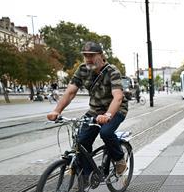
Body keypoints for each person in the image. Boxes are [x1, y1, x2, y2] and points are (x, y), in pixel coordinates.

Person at [47, 41, 128, 181]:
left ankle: (120, 159)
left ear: (101, 56)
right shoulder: (82, 69)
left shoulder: (112, 71)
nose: (88, 59)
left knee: (106, 132)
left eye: (91, 55)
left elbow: (118, 97)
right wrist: (57, 110)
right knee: (81, 141)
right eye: (85, 55)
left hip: (116, 110)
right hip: (95, 110)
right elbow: (70, 92)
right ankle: (88, 175)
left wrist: (108, 115)